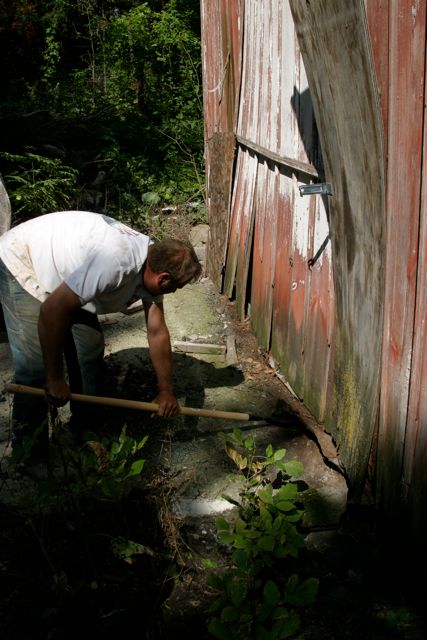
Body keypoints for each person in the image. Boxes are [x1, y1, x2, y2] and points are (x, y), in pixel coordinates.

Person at [0, 210, 202, 463]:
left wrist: (166, 390)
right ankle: (29, 457)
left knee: (89, 352)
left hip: (69, 278)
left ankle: (85, 431)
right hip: (24, 260)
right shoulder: (117, 262)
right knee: (34, 368)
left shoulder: (154, 261)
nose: (173, 292)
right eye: (176, 287)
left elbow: (157, 331)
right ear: (163, 279)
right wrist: (54, 377)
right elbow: (53, 309)